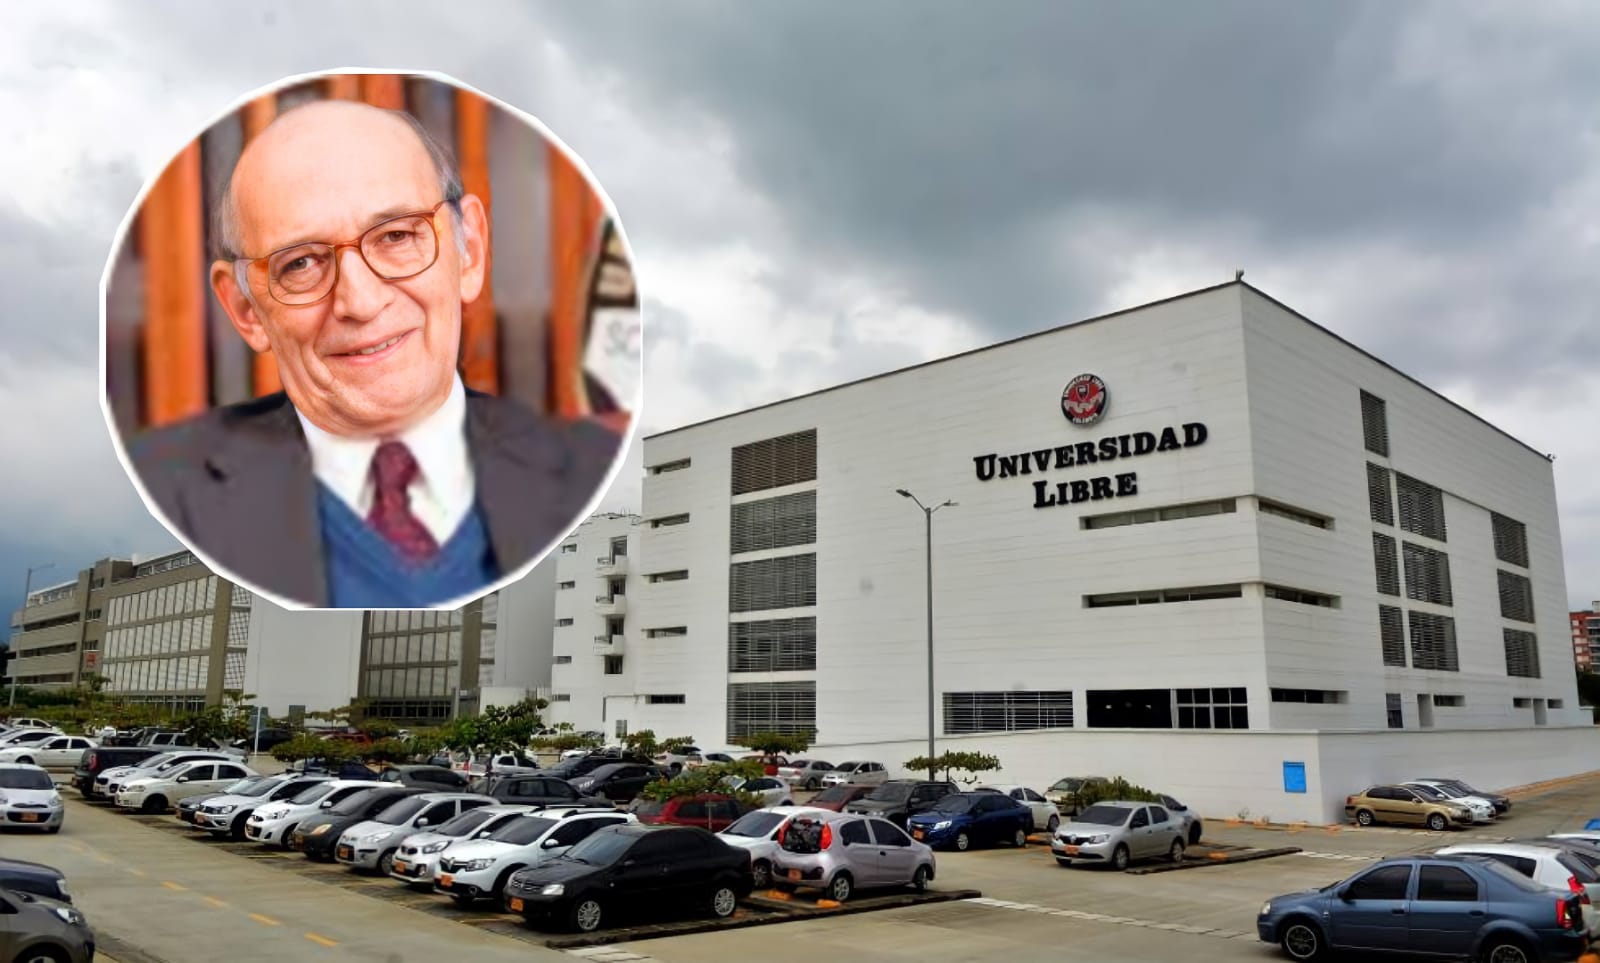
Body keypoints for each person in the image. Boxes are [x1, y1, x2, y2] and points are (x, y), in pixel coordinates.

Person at [128, 100, 622, 608]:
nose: (361, 302)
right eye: (301, 263)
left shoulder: (593, 469)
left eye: (396, 235)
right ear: (245, 309)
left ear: (469, 250)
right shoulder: (161, 490)